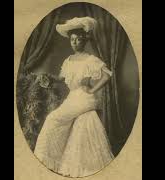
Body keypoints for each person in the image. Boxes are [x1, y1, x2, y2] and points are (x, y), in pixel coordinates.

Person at [34, 17, 114, 177]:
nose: (75, 42)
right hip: (72, 98)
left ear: (84, 40)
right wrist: (48, 78)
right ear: (70, 41)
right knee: (68, 122)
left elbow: (107, 75)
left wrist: (92, 90)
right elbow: (62, 79)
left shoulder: (91, 59)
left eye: (78, 39)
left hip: (84, 98)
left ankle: (42, 157)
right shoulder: (68, 60)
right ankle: (55, 160)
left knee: (52, 118)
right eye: (72, 39)